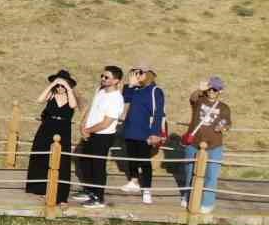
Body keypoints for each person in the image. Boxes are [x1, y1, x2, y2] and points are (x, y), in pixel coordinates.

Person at [73, 66, 125, 208]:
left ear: (116, 81)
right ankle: (89, 190)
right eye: (102, 76)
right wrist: (83, 124)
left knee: (98, 166)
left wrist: (88, 130)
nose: (103, 79)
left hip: (103, 136)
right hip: (90, 132)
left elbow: (106, 122)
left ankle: (98, 197)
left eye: (106, 77)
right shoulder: (100, 90)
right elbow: (91, 108)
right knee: (85, 162)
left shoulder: (116, 99)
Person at [179, 77, 231, 212]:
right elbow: (192, 97)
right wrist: (200, 89)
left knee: (211, 175)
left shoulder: (224, 107)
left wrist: (223, 127)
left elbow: (227, 123)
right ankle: (187, 196)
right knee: (190, 172)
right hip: (194, 143)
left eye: (216, 89)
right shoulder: (199, 100)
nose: (212, 91)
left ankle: (207, 203)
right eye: (211, 88)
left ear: (221, 91)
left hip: (214, 146)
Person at [25, 70, 78, 204]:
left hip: (63, 129)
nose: (60, 88)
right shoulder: (52, 94)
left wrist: (67, 87)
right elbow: (39, 99)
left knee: (62, 161)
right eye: (58, 86)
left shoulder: (70, 95)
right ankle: (40, 188)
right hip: (47, 128)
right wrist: (53, 84)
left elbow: (73, 105)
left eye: (62, 86)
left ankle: (60, 194)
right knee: (41, 156)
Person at [118, 64, 167, 205]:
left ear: (149, 74)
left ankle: (147, 189)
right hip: (130, 130)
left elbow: (158, 113)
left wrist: (155, 133)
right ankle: (133, 181)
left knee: (145, 161)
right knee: (131, 157)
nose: (136, 75)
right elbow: (125, 99)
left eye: (140, 73)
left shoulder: (155, 91)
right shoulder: (135, 89)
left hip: (145, 132)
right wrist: (131, 85)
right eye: (134, 73)